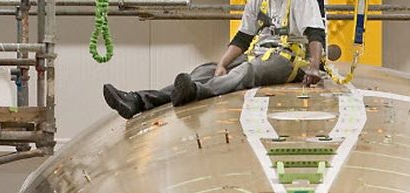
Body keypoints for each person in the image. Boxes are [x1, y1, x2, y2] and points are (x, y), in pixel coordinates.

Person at [101, 0, 326, 120]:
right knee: (205, 69)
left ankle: (197, 92)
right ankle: (138, 101)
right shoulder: (258, 1)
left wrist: (314, 67)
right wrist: (221, 64)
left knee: (248, 72)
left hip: (290, 60)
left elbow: (315, 32)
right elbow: (243, 37)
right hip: (260, 52)